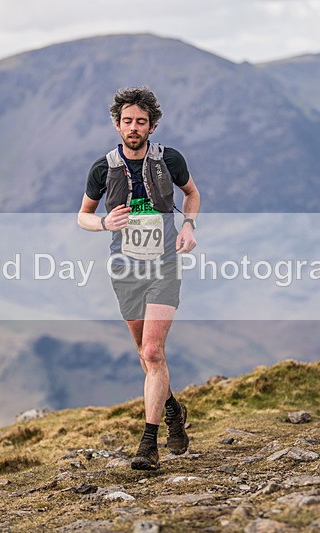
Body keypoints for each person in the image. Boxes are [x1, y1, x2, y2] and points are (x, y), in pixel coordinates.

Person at [77, 86, 200, 470]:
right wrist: (101, 223)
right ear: (117, 125)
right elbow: (82, 215)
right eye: (127, 121)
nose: (134, 127)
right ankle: (174, 411)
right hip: (125, 268)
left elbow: (192, 194)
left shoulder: (170, 159)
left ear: (152, 125)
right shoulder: (103, 168)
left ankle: (148, 445)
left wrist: (189, 225)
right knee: (146, 358)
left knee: (152, 352)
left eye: (141, 122)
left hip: (164, 264)